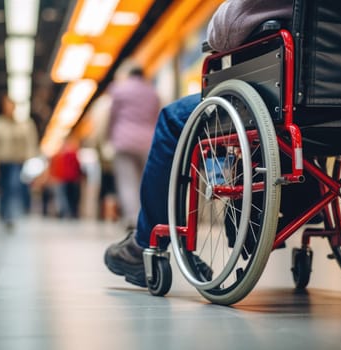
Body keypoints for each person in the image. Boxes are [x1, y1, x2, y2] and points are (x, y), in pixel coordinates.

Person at [104, 0, 294, 287]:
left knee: (171, 119)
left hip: (284, 99)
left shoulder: (118, 89)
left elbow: (225, 31)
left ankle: (144, 241)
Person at [106, 59, 160, 229]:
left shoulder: (118, 89)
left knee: (127, 181)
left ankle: (132, 218)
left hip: (123, 140)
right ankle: (147, 217)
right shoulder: (152, 92)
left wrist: (109, 136)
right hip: (147, 141)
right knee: (146, 181)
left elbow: (111, 116)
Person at [0, 95, 39, 228]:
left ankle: (11, 214)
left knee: (13, 186)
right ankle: (4, 213)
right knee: (4, 188)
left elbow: (30, 143)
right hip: (2, 161)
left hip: (17, 161)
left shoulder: (24, 124)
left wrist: (29, 159)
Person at [49, 133, 83, 218]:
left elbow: (77, 166)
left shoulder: (61, 154)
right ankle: (67, 212)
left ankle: (66, 212)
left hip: (67, 178)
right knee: (67, 196)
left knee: (66, 196)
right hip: (65, 178)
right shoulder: (65, 154)